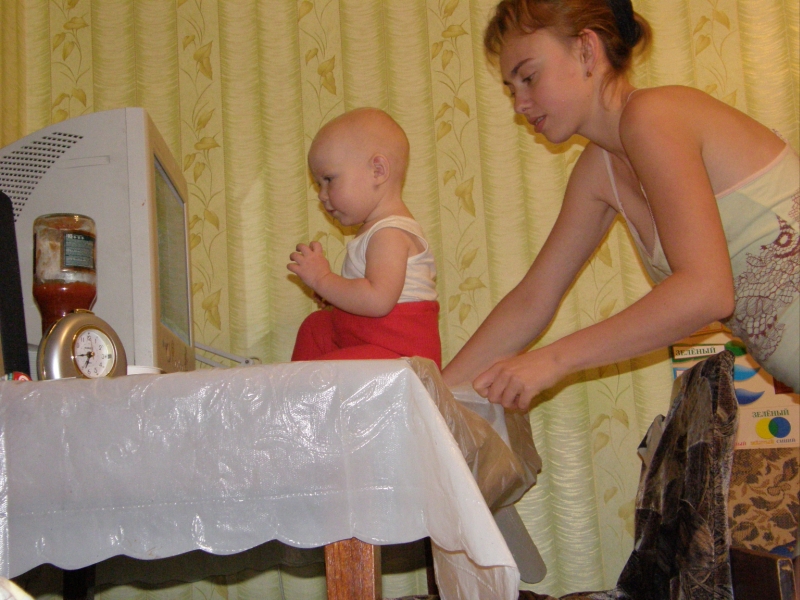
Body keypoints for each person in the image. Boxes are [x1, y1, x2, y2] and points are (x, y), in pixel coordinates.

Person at [442, 0, 799, 407]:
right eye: (511, 89)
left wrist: (553, 360)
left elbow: (707, 291)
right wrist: (428, 395)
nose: (519, 104)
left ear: (586, 50)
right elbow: (533, 299)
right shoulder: (599, 170)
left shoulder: (652, 116)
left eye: (529, 77)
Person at [288, 108, 442, 367]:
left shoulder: (390, 233)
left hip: (399, 353)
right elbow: (366, 297)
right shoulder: (375, 231)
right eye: (318, 185)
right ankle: (297, 387)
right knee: (317, 326)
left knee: (327, 372)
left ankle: (303, 387)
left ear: (378, 171)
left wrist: (323, 279)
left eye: (329, 179)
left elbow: (378, 301)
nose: (322, 195)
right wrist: (334, 293)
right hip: (370, 340)